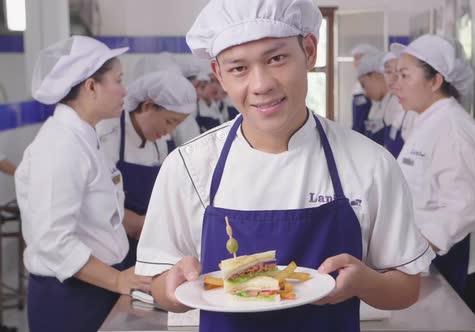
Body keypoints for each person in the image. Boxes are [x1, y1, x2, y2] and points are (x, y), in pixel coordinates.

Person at [135, 1, 435, 331]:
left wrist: (365, 283)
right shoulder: (189, 167)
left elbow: (407, 289)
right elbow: (160, 286)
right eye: (238, 68)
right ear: (219, 74)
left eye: (276, 58)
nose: (261, 84)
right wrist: (172, 287)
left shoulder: (369, 164)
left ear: (309, 51)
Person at [14, 36, 151, 332]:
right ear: (91, 86)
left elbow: (98, 212)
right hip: (69, 297)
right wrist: (117, 280)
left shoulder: (85, 138)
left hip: (94, 285)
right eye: (118, 80)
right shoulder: (59, 146)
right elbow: (52, 239)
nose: (125, 90)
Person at [392, 34, 475, 319]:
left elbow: (461, 207)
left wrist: (413, 257)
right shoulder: (424, 119)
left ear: (435, 81)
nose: (395, 84)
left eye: (404, 75)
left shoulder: (453, 128)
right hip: (435, 255)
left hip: (461, 261)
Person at [97, 70, 196, 264]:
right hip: (113, 244)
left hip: (148, 241)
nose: (169, 131)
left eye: (176, 125)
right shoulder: (108, 134)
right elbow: (98, 205)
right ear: (147, 106)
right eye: (169, 121)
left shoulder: (159, 139)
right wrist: (140, 224)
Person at [381, 51, 416, 158]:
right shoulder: (390, 101)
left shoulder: (414, 110)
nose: (394, 77)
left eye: (401, 73)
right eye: (388, 71)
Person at [356, 52, 389, 144]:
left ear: (375, 75)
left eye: (363, 85)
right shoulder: (377, 105)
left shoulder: (397, 104)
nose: (365, 93)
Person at [350, 43, 380, 134]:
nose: (356, 62)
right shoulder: (358, 83)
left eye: (358, 58)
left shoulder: (376, 81)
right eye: (354, 59)